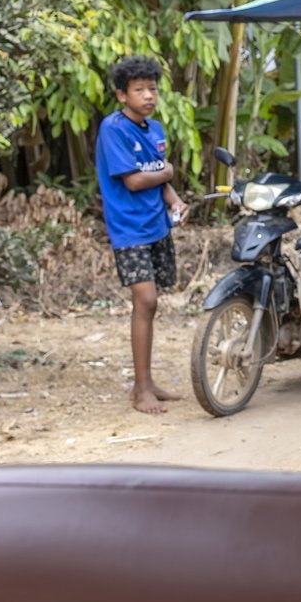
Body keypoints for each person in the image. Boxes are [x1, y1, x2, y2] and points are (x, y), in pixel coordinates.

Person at [95, 55, 187, 415]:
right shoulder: (113, 129)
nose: (148, 96)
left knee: (152, 304)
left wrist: (176, 200)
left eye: (152, 89)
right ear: (122, 95)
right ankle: (139, 389)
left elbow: (159, 178)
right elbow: (133, 180)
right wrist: (167, 173)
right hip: (128, 228)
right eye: (139, 90)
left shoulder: (157, 129)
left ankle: (147, 382)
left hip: (156, 226)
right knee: (145, 300)